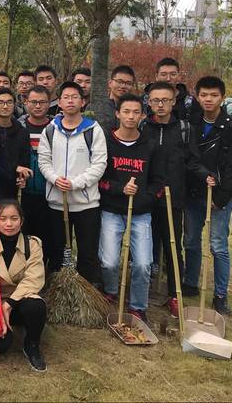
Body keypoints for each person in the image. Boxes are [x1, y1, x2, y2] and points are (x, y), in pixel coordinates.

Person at [142, 81, 209, 318]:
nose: (160, 105)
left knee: (172, 247)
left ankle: (174, 294)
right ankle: (141, 290)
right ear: (149, 102)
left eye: (165, 100)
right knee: (143, 247)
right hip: (146, 197)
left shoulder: (184, 129)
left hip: (173, 198)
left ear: (173, 101)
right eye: (155, 100)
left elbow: (193, 161)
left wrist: (206, 176)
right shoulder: (143, 126)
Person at [98, 94, 164, 323]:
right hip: (112, 209)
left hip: (141, 213)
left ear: (143, 116)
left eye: (136, 112)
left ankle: (138, 305)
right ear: (118, 113)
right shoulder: (106, 143)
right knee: (109, 261)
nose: (131, 116)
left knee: (144, 263)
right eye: (126, 111)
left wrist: (145, 198)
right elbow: (99, 179)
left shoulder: (151, 146)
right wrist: (119, 189)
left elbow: (158, 182)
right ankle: (111, 290)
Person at [183, 76, 232, 315]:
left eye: (214, 95)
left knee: (218, 245)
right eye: (204, 95)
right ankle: (190, 283)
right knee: (191, 240)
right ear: (197, 96)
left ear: (222, 97)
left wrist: (221, 198)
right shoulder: (192, 122)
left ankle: (220, 295)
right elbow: (189, 158)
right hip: (194, 192)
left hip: (219, 195)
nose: (208, 99)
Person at [38, 82, 107, 284]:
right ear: (59, 102)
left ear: (82, 102)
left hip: (86, 204)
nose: (70, 101)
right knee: (58, 252)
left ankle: (87, 291)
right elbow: (44, 160)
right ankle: (57, 290)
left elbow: (99, 164)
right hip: (57, 203)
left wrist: (75, 183)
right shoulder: (50, 130)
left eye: (75, 97)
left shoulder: (93, 130)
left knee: (87, 253)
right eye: (66, 97)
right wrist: (55, 179)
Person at [0, 200, 47, 372]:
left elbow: (33, 279)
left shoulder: (32, 245)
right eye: (3, 219)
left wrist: (9, 304)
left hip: (20, 299)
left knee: (36, 307)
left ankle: (32, 344)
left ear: (22, 221)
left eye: (14, 218)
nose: (9, 224)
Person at [17, 86, 53, 260]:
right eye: (33, 102)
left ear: (49, 103)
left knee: (49, 238)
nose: (38, 106)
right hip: (23, 194)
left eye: (42, 102)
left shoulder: (56, 128)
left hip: (51, 193)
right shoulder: (18, 127)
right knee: (25, 238)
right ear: (26, 102)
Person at [0, 88, 32, 200]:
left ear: (14, 105)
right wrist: (15, 168)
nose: (5, 106)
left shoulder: (22, 132)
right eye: (0, 102)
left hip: (13, 189)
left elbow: (25, 161)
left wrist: (23, 177)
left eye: (9, 102)